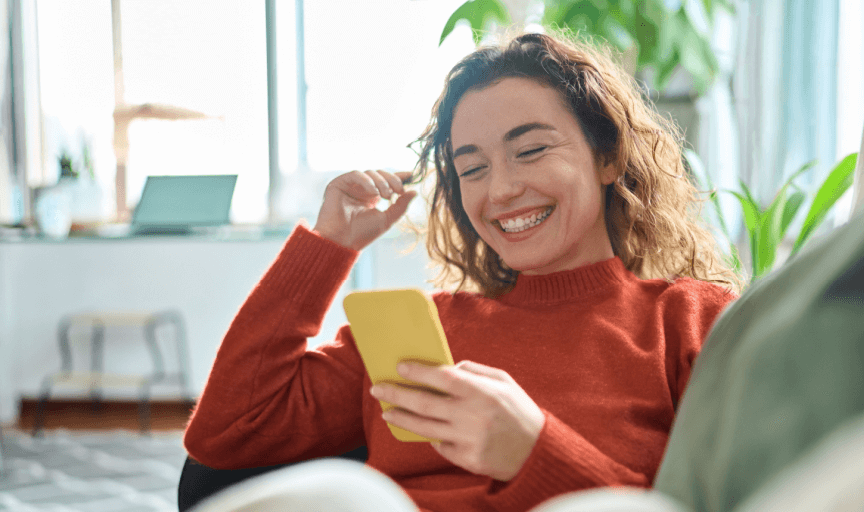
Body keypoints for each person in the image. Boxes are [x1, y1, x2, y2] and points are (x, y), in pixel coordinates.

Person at [183, 32, 740, 512]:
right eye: (471, 168)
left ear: (608, 157)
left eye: (531, 150)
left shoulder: (691, 321)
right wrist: (328, 247)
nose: (500, 191)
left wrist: (534, 452)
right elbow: (227, 434)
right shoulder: (421, 335)